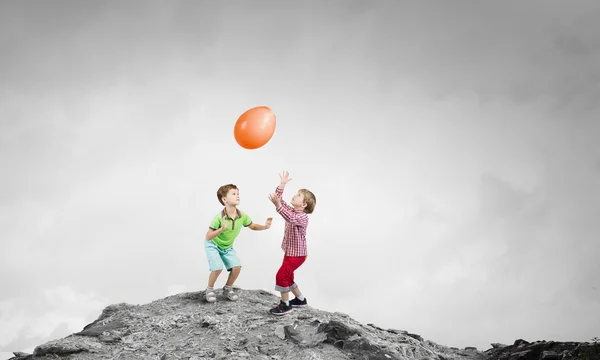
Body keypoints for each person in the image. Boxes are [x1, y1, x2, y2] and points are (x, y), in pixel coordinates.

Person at [204, 183, 272, 302]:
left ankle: (227, 288)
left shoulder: (242, 215)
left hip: (227, 247)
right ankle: (209, 289)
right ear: (224, 199)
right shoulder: (219, 217)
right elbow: (208, 236)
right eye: (233, 194)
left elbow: (252, 226)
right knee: (217, 268)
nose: (238, 196)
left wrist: (265, 227)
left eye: (238, 193)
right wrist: (221, 229)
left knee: (237, 267)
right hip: (213, 245)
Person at [267, 171, 316, 315]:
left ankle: (285, 304)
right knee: (288, 276)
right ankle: (300, 300)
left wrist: (278, 206)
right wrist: (282, 184)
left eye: (298, 195)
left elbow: (289, 217)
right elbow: (279, 200)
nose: (294, 195)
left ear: (304, 204)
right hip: (290, 252)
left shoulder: (302, 217)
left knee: (281, 276)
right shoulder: (292, 210)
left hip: (298, 255)